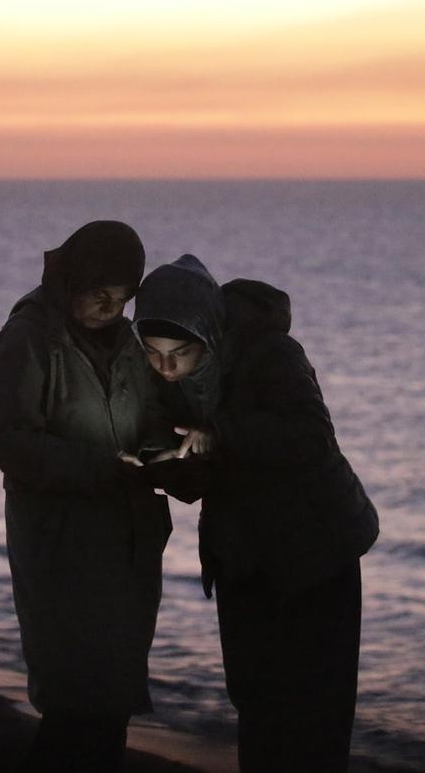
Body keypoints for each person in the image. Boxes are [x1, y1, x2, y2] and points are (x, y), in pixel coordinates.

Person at [130, 254, 380, 772]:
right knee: (255, 700)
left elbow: (310, 436)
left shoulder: (272, 353)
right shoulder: (167, 377)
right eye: (154, 356)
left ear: (208, 332)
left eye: (180, 353)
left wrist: (222, 434)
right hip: (242, 554)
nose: (168, 369)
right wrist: (156, 464)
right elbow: (206, 477)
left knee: (315, 710)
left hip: (315, 551)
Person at [0, 221, 174, 771]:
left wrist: (171, 455)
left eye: (121, 297)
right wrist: (104, 470)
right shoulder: (28, 337)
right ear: (71, 279)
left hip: (128, 547)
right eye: (99, 293)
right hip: (62, 548)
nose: (109, 307)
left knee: (111, 704)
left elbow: (152, 419)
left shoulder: (133, 342)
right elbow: (12, 441)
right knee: (73, 707)